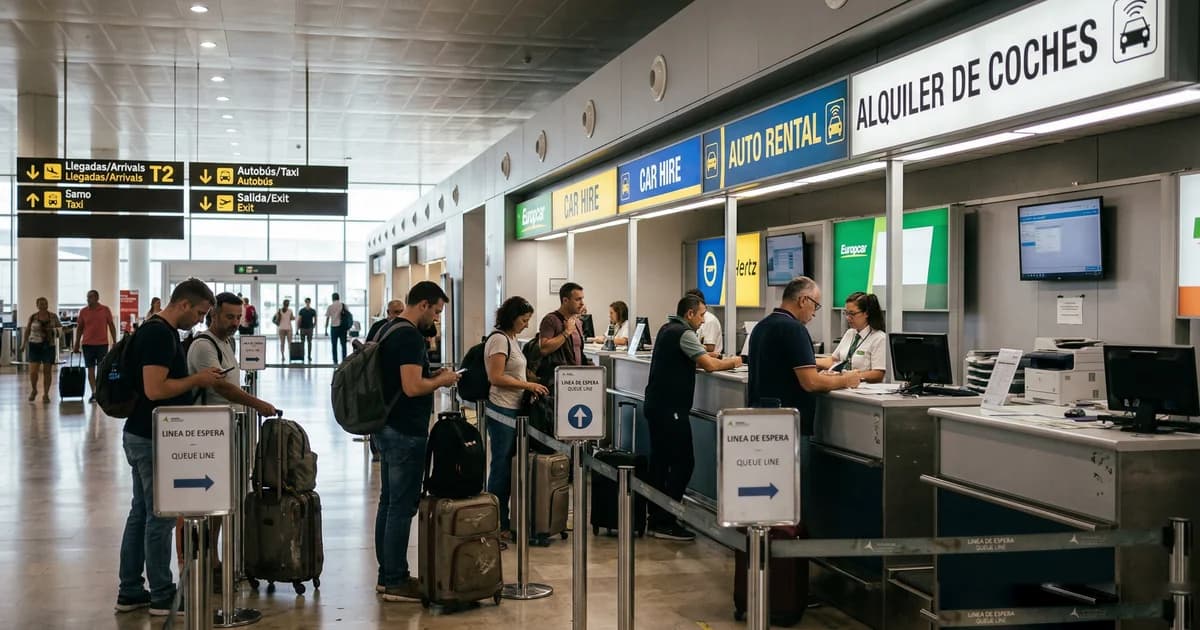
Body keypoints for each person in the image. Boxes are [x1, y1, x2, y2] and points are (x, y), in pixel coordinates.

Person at [115, 279, 222, 616]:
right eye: (201, 313)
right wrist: (198, 380)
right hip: (150, 436)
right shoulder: (160, 334)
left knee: (140, 513)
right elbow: (155, 389)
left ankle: (130, 590)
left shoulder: (155, 330)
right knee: (158, 517)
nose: (201, 321)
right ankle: (162, 593)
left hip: (139, 433)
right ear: (184, 305)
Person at [747, 277, 860, 520]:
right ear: (802, 300)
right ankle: (786, 552)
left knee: (768, 495)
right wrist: (845, 380)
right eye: (815, 306)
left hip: (761, 420)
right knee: (788, 495)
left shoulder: (762, 326)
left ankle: (765, 549)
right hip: (788, 426)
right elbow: (810, 382)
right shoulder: (794, 329)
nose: (814, 313)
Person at [183, 291, 278, 583]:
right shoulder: (203, 345)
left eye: (239, 317)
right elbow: (221, 387)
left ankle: (216, 557)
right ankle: (208, 560)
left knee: (228, 495)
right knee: (215, 497)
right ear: (213, 314)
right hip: (212, 429)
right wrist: (257, 403)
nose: (236, 322)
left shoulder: (227, 342)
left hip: (231, 426)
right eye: (230, 317)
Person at [375, 281, 460, 602]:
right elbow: (411, 386)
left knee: (388, 502)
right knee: (401, 506)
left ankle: (387, 576)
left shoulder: (386, 328)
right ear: (423, 304)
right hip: (405, 430)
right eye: (436, 311)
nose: (436, 319)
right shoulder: (410, 335)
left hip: (384, 424)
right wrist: (442, 380)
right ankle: (395, 579)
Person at [644, 294, 742, 541]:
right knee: (683, 462)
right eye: (700, 315)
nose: (702, 321)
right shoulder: (684, 333)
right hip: (671, 409)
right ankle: (665, 520)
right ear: (689, 314)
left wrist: (711, 360)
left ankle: (656, 516)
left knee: (661, 462)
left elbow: (692, 361)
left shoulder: (668, 329)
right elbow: (709, 365)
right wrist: (734, 362)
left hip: (657, 405)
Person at [485, 296, 550, 538]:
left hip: (514, 408)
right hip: (502, 409)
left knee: (508, 465)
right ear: (512, 317)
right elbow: (496, 377)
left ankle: (504, 516)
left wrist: (531, 383)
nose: (526, 325)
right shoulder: (499, 341)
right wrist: (527, 386)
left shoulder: (511, 339)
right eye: (524, 320)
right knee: (501, 465)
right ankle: (497, 522)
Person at [816, 292, 888, 383]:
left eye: (852, 314)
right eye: (846, 313)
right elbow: (834, 360)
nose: (848, 318)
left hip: (865, 390)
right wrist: (811, 362)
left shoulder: (879, 338)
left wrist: (850, 376)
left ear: (866, 314)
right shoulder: (850, 333)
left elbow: (878, 374)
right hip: (844, 386)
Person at [74, 289, 118, 403]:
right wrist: (76, 342)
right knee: (90, 369)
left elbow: (111, 326)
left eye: (91, 297)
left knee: (101, 369)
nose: (88, 299)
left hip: (102, 344)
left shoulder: (105, 310)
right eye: (87, 297)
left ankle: (100, 391)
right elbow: (79, 328)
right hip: (87, 344)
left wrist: (115, 341)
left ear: (97, 298)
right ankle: (94, 392)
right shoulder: (83, 311)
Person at [538, 282, 587, 382]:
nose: (582, 303)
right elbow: (544, 349)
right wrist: (566, 332)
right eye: (578, 299)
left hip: (575, 380)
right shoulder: (550, 320)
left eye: (582, 298)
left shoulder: (577, 322)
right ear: (565, 300)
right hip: (557, 379)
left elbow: (578, 351)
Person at [22, 297, 62, 403]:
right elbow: (27, 330)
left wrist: (52, 331)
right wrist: (23, 344)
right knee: (33, 371)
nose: (43, 305)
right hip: (34, 345)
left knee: (47, 371)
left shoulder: (53, 316)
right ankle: (34, 389)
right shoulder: (33, 317)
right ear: (37, 305)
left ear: (47, 305)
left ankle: (46, 394)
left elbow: (60, 329)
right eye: (41, 303)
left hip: (49, 346)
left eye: (45, 303)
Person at [686, 289, 723, 355]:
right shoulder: (689, 320)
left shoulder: (709, 320)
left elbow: (710, 347)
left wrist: (691, 345)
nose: (703, 321)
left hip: (710, 359)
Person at [326, 292, 348, 364]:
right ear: (338, 297)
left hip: (334, 328)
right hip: (342, 328)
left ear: (332, 298)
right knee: (343, 345)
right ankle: (344, 360)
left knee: (334, 345)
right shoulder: (344, 305)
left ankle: (335, 361)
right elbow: (347, 316)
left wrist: (325, 329)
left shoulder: (330, 307)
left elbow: (327, 318)